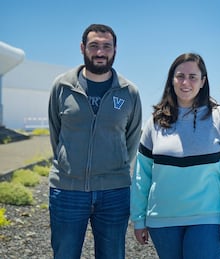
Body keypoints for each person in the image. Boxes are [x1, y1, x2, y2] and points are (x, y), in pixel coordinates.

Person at [130, 53, 220, 258]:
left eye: (193, 77)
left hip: (207, 220)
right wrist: (139, 219)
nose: (186, 82)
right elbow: (141, 177)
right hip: (162, 221)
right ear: (171, 80)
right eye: (180, 76)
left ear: (203, 82)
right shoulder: (155, 122)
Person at [48, 24, 142, 259]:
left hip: (114, 192)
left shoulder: (129, 92)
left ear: (115, 50)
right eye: (94, 46)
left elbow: (131, 137)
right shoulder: (62, 86)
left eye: (106, 46)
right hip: (67, 190)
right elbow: (55, 132)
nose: (100, 52)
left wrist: (116, 167)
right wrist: (67, 166)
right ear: (82, 48)